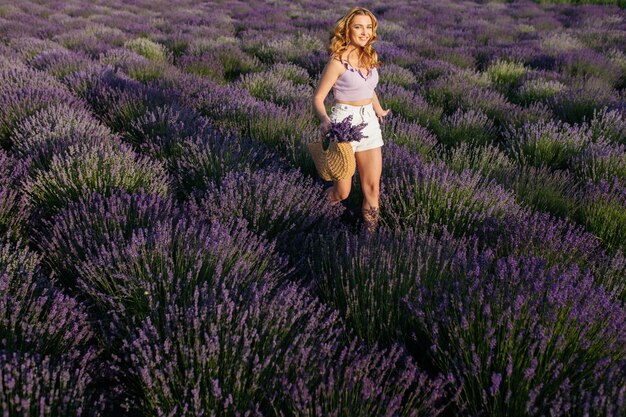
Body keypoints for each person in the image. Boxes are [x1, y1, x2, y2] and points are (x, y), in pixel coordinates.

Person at [312, 6, 390, 232]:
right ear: (347, 30)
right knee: (342, 192)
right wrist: (325, 120)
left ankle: (370, 239)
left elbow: (368, 87)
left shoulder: (370, 56)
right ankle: (313, 213)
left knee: (372, 188)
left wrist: (378, 109)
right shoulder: (337, 62)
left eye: (368, 27)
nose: (365, 32)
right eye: (358, 27)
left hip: (370, 126)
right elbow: (318, 98)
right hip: (344, 125)